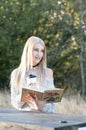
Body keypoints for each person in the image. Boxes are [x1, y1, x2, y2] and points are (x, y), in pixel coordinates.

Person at [10, 36, 55, 113]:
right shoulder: (16, 73)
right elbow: (15, 104)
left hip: (45, 119)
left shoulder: (48, 72)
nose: (39, 54)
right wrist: (25, 93)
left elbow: (52, 106)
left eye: (42, 51)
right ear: (28, 51)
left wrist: (39, 105)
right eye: (36, 50)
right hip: (25, 120)